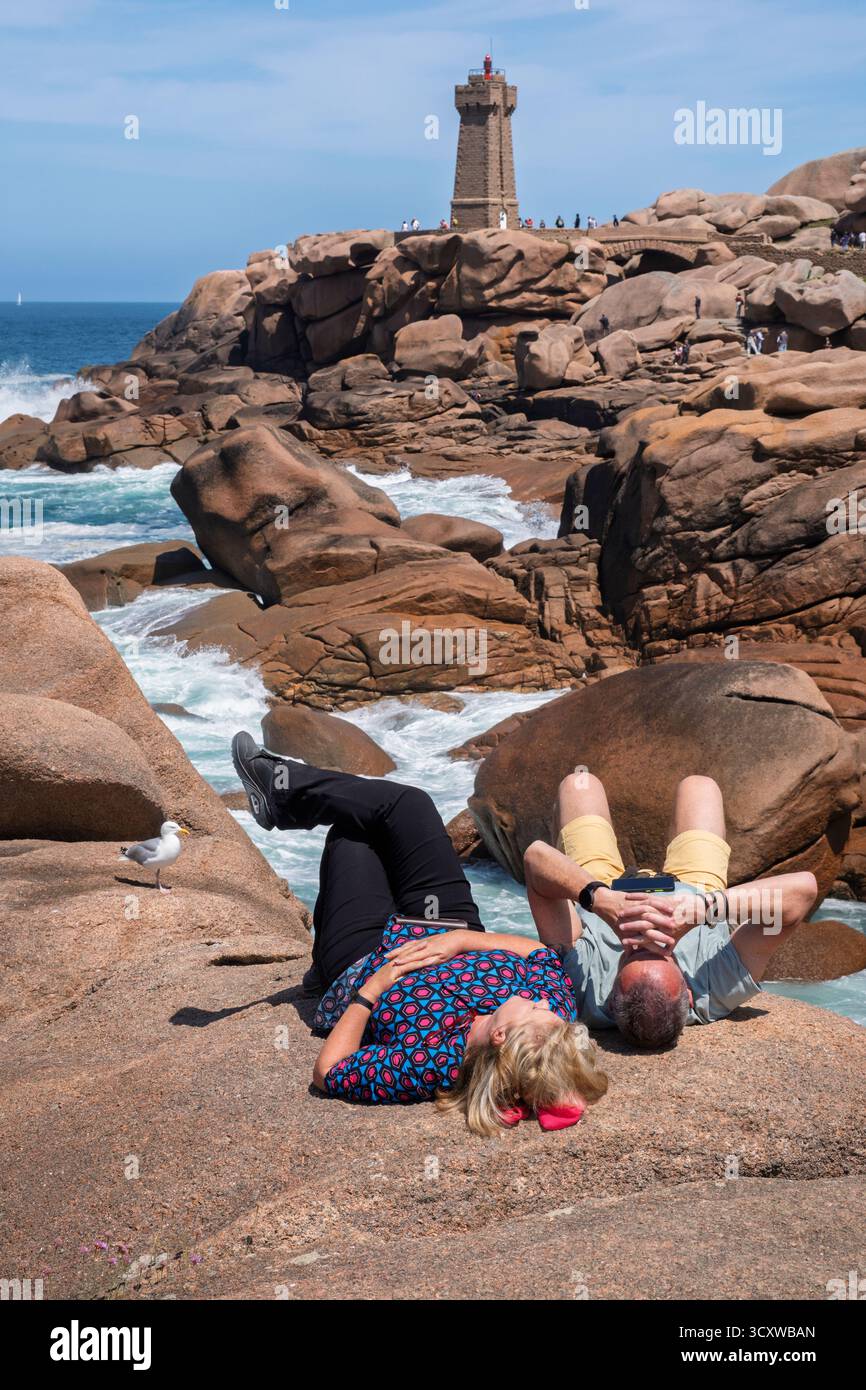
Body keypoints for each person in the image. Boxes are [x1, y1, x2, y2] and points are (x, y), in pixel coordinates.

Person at [230, 735, 609, 1134]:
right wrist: (461, 942)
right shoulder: (554, 1019)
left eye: (533, 1011)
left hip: (365, 957)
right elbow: (538, 954)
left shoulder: (434, 1064)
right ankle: (278, 790)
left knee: (352, 832)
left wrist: (372, 989)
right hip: (448, 924)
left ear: (500, 1036)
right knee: (408, 805)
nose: (541, 1004)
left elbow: (330, 1072)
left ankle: (283, 795)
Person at [523, 771, 818, 1049]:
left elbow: (536, 858)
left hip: (601, 883)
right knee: (700, 786)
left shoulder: (583, 987)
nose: (647, 939)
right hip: (694, 887)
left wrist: (600, 900)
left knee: (579, 782)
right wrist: (699, 911)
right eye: (665, 952)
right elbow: (802, 892)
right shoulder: (715, 989)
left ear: (612, 1000)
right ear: (688, 997)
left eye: (632, 953)